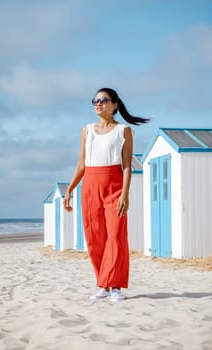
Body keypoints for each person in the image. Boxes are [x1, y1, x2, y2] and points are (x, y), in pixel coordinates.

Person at [64, 87, 149, 302]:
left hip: (115, 187)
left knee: (116, 237)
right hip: (90, 187)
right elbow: (81, 164)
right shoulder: (87, 130)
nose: (98, 103)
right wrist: (69, 190)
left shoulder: (124, 131)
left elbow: (127, 165)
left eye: (103, 99)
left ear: (115, 105)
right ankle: (103, 284)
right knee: (95, 238)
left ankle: (117, 287)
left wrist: (125, 193)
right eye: (95, 100)